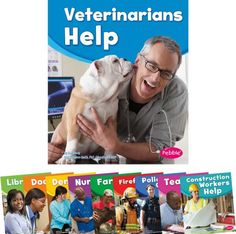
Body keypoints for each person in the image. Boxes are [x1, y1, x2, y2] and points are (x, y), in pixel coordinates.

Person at [48, 36, 188, 164]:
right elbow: (73, 117)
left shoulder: (177, 91)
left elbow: (161, 150)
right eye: (151, 65)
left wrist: (116, 146)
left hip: (154, 167)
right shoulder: (113, 80)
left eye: (166, 73)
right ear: (138, 60)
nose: (155, 78)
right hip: (111, 163)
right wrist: (50, 148)